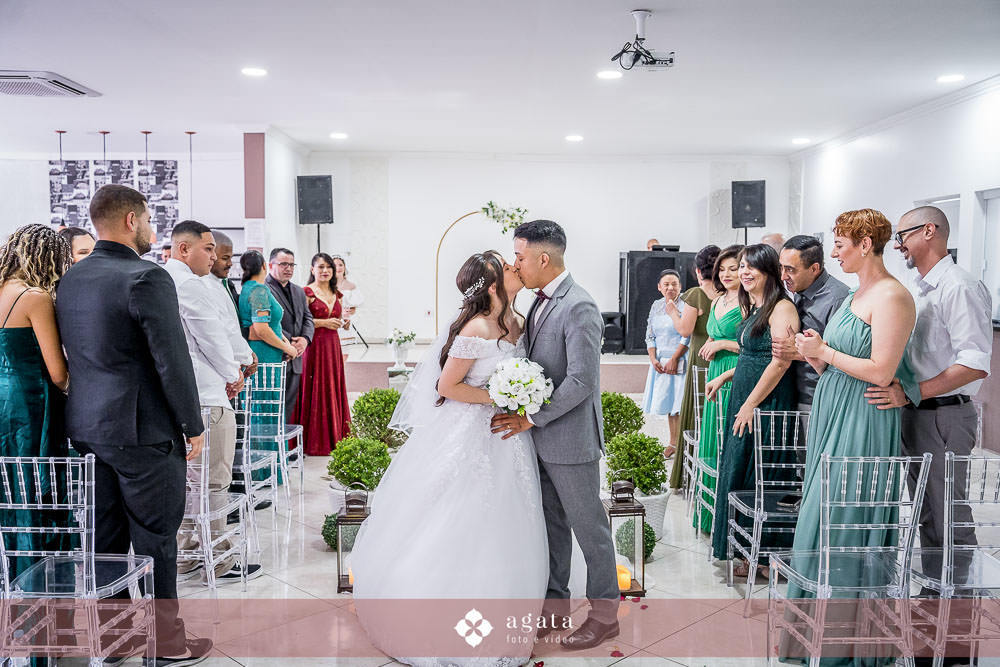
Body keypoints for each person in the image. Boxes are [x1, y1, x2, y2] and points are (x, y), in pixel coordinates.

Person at [352, 251, 547, 667]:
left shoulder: (518, 320)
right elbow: (447, 385)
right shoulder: (476, 327)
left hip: (509, 438)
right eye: (506, 267)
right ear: (492, 286)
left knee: (511, 517)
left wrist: (522, 398)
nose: (514, 268)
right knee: (464, 515)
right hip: (473, 433)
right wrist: (500, 396)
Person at [55, 184, 212, 664]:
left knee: (104, 541)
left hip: (87, 428)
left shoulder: (71, 278)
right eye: (147, 218)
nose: (150, 227)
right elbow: (171, 360)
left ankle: (116, 638)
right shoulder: (147, 277)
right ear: (130, 220)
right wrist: (192, 423)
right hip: (143, 432)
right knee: (156, 540)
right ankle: (167, 642)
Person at [782, 209, 918, 667]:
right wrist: (814, 354)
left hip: (863, 418)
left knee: (844, 515)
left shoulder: (892, 295)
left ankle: (843, 645)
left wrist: (824, 350)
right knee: (819, 516)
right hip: (834, 407)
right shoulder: (856, 294)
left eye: (840, 244)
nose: (835, 252)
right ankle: (812, 636)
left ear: (865, 244)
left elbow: (881, 370)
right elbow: (839, 361)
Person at [492, 220, 620, 650]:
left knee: (590, 529)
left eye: (520, 257)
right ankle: (555, 608)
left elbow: (582, 381)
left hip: (571, 441)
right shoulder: (537, 302)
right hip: (541, 439)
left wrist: (532, 418)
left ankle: (605, 616)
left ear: (543, 258)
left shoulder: (579, 306)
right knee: (552, 527)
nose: (516, 265)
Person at [866, 207, 992, 611]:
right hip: (918, 411)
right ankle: (937, 596)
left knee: (947, 510)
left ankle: (959, 607)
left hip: (943, 413)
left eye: (902, 235)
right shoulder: (919, 287)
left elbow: (974, 362)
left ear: (929, 231)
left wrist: (911, 392)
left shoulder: (959, 287)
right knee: (926, 510)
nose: (898, 245)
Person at [165, 220, 260, 583]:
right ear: (184, 248)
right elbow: (212, 334)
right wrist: (233, 373)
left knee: (193, 483)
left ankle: (186, 553)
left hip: (184, 394)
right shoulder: (190, 284)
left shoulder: (165, 279)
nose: (214, 256)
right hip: (206, 393)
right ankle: (219, 559)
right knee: (214, 482)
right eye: (208, 248)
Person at [706, 244, 798, 565]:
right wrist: (726, 376)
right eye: (741, 266)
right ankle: (740, 548)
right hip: (745, 395)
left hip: (766, 401)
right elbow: (750, 356)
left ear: (769, 271)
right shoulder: (754, 306)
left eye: (750, 267)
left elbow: (780, 363)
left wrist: (751, 403)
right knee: (738, 465)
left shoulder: (782, 308)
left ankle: (761, 554)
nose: (744, 272)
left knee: (758, 471)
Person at [0, 225, 71, 578]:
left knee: (7, 485)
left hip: (3, 398)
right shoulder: (34, 297)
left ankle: (9, 574)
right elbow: (57, 372)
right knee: (34, 485)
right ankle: (38, 577)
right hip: (31, 402)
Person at [692, 244, 744, 533]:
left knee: (726, 439)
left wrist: (723, 343)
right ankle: (708, 515)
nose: (726, 274)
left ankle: (725, 517)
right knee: (711, 436)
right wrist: (713, 345)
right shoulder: (717, 301)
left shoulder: (749, 303)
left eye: (733, 268)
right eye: (722, 269)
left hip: (734, 372)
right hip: (715, 370)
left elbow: (754, 347)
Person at [239, 251, 298, 485]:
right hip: (264, 357)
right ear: (265, 265)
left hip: (264, 352)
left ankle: (267, 470)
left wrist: (283, 341)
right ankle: (264, 472)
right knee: (265, 411)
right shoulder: (259, 291)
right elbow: (261, 329)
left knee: (261, 410)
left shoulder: (247, 288)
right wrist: (288, 348)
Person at [773, 235, 850, 412]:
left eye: (790, 270)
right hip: (791, 394)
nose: (783, 276)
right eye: (781, 268)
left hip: (820, 398)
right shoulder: (797, 291)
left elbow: (846, 358)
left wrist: (802, 352)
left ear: (814, 268)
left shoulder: (838, 300)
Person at [668, 244, 720, 487]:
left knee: (695, 409)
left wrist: (672, 312)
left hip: (700, 356)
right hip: (720, 357)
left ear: (698, 271)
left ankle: (687, 476)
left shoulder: (696, 294)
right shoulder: (727, 294)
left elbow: (685, 329)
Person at [298, 252, 351, 455]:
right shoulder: (306, 292)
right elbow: (299, 322)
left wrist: (344, 323)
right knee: (315, 387)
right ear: (312, 269)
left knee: (332, 386)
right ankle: (314, 441)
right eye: (321, 267)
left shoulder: (337, 294)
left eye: (329, 267)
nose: (325, 271)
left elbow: (338, 318)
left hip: (332, 347)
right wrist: (323, 323)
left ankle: (334, 435)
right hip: (313, 346)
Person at [641, 269, 690, 456]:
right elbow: (650, 335)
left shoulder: (686, 305)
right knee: (670, 404)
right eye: (666, 284)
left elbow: (687, 335)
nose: (670, 287)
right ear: (659, 287)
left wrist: (675, 358)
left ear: (680, 286)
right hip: (661, 361)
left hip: (680, 358)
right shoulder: (656, 305)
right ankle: (673, 443)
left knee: (681, 403)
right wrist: (653, 358)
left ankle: (685, 444)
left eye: (674, 284)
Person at [266, 248, 314, 420]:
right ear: (270, 265)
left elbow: (308, 318)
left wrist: (305, 340)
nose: (289, 268)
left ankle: (283, 436)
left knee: (287, 410)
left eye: (292, 265)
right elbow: (268, 322)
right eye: (283, 264)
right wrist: (290, 343)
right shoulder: (263, 289)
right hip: (275, 355)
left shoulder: (299, 291)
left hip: (296, 359)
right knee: (271, 408)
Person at [332, 255, 362, 345]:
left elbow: (354, 306)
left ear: (344, 267)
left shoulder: (351, 285)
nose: (338, 268)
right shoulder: (327, 285)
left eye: (340, 265)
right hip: (331, 319)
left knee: (345, 349)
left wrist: (352, 311)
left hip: (346, 319)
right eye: (335, 265)